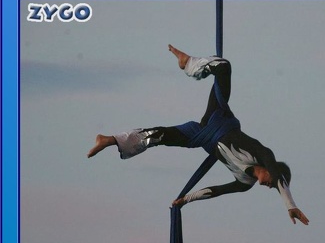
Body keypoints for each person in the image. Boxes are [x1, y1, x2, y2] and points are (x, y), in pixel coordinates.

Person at [87, 44, 309, 225]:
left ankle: (111, 140)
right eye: (274, 183)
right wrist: (290, 205)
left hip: (202, 136)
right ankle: (188, 63)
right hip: (218, 119)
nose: (269, 186)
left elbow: (214, 192)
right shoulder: (262, 154)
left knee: (160, 136)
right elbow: (278, 177)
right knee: (223, 67)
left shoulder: (244, 183)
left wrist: (185, 199)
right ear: (274, 171)